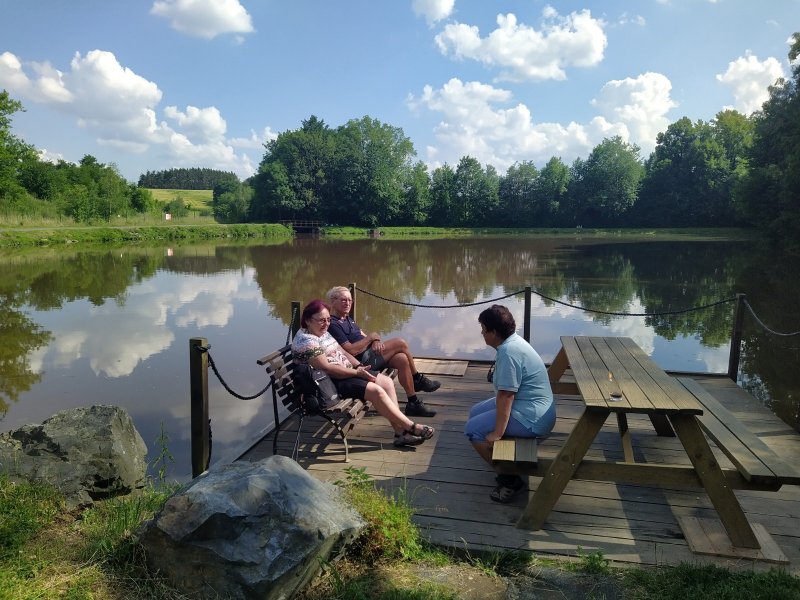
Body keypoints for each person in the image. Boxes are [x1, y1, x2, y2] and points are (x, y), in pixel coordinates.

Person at [291, 299, 435, 447]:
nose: (326, 323)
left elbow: (342, 351)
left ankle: (400, 433)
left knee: (387, 382)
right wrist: (357, 373)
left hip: (347, 372)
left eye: (328, 319)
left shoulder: (322, 332)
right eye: (321, 320)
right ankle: (411, 427)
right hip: (330, 382)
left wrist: (359, 366)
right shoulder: (306, 341)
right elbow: (327, 368)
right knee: (376, 391)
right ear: (308, 320)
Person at [464, 304, 556, 503]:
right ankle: (500, 460)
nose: (482, 333)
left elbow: (506, 396)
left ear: (494, 332)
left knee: (473, 430)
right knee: (474, 412)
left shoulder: (508, 353)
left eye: (484, 329)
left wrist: (497, 433)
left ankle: (510, 479)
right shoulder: (511, 342)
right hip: (529, 406)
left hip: (533, 417)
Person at [326, 286, 440, 418]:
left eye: (350, 300)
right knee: (400, 342)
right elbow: (351, 350)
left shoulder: (347, 319)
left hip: (371, 354)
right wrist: (372, 337)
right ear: (333, 301)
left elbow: (365, 337)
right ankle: (417, 379)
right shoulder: (333, 324)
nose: (348, 303)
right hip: (361, 363)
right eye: (344, 300)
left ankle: (413, 403)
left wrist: (375, 340)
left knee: (402, 359)